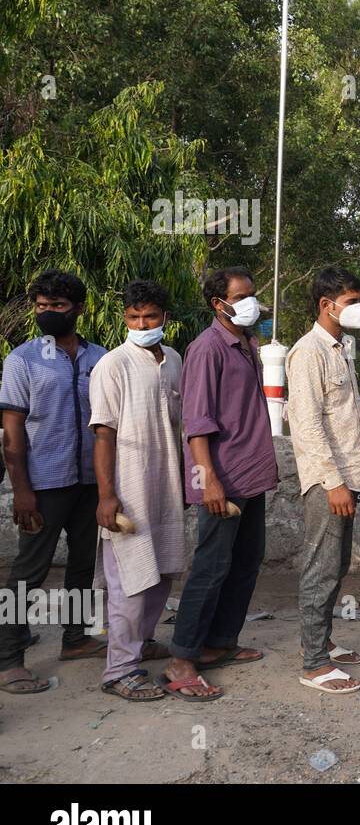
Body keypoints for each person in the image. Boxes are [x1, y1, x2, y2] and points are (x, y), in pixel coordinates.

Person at [162, 267, 277, 700]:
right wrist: (207, 480)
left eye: (252, 294)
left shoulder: (247, 344)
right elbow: (197, 423)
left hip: (250, 476)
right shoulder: (207, 348)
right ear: (218, 304)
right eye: (241, 296)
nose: (251, 302)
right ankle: (182, 658)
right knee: (210, 568)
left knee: (247, 561)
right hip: (221, 480)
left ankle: (219, 643)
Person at [0, 271, 109, 695]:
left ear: (78, 308)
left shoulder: (100, 358)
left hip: (89, 481)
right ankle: (9, 658)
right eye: (42, 307)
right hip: (44, 484)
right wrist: (21, 490)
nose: (48, 314)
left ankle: (76, 638)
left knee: (83, 565)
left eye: (58, 307)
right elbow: (12, 432)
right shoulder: (22, 360)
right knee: (29, 572)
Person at [87, 281, 188, 701]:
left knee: (162, 571)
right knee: (130, 578)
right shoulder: (112, 365)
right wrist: (107, 495)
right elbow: (103, 434)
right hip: (128, 490)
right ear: (125, 318)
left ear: (164, 317)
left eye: (149, 317)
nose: (141, 324)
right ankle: (119, 670)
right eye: (133, 317)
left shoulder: (176, 361)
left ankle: (142, 643)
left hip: (166, 487)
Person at [286, 267, 360, 695]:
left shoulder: (339, 349)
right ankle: (314, 662)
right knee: (321, 568)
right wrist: (333, 482)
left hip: (346, 477)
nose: (359, 309)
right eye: (352, 301)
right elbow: (306, 425)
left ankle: (323, 642)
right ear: (327, 304)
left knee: (335, 565)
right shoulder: (308, 352)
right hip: (327, 480)